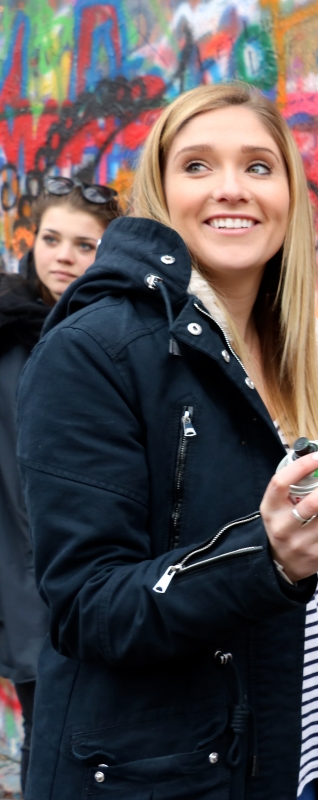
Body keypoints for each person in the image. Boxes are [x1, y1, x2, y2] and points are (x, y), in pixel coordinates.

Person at [16, 83, 318, 800]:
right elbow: (89, 606)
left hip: (314, 759)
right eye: (197, 165)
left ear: (290, 193)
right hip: (170, 776)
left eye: (259, 166)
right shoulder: (95, 351)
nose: (232, 189)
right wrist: (268, 555)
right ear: (160, 194)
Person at [0, 177, 120, 795]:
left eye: (84, 244)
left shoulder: (121, 333)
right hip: (28, 584)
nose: (63, 256)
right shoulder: (8, 331)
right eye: (51, 239)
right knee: (49, 746)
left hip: (105, 583)